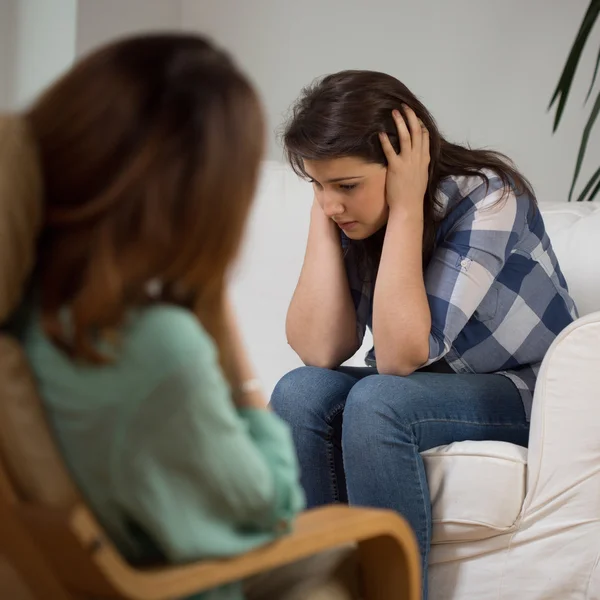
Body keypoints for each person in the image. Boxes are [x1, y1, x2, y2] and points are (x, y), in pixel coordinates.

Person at [9, 35, 356, 600]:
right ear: (201, 197)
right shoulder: (151, 347)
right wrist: (217, 324)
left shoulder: (31, 320)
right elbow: (272, 502)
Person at [270, 70, 578, 599]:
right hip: (427, 387)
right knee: (298, 392)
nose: (332, 204)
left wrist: (409, 205)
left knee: (378, 402)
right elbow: (319, 348)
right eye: (318, 185)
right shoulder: (349, 214)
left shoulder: (490, 199)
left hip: (528, 392)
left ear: (404, 164)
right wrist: (327, 209)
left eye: (347, 186)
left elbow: (396, 357)